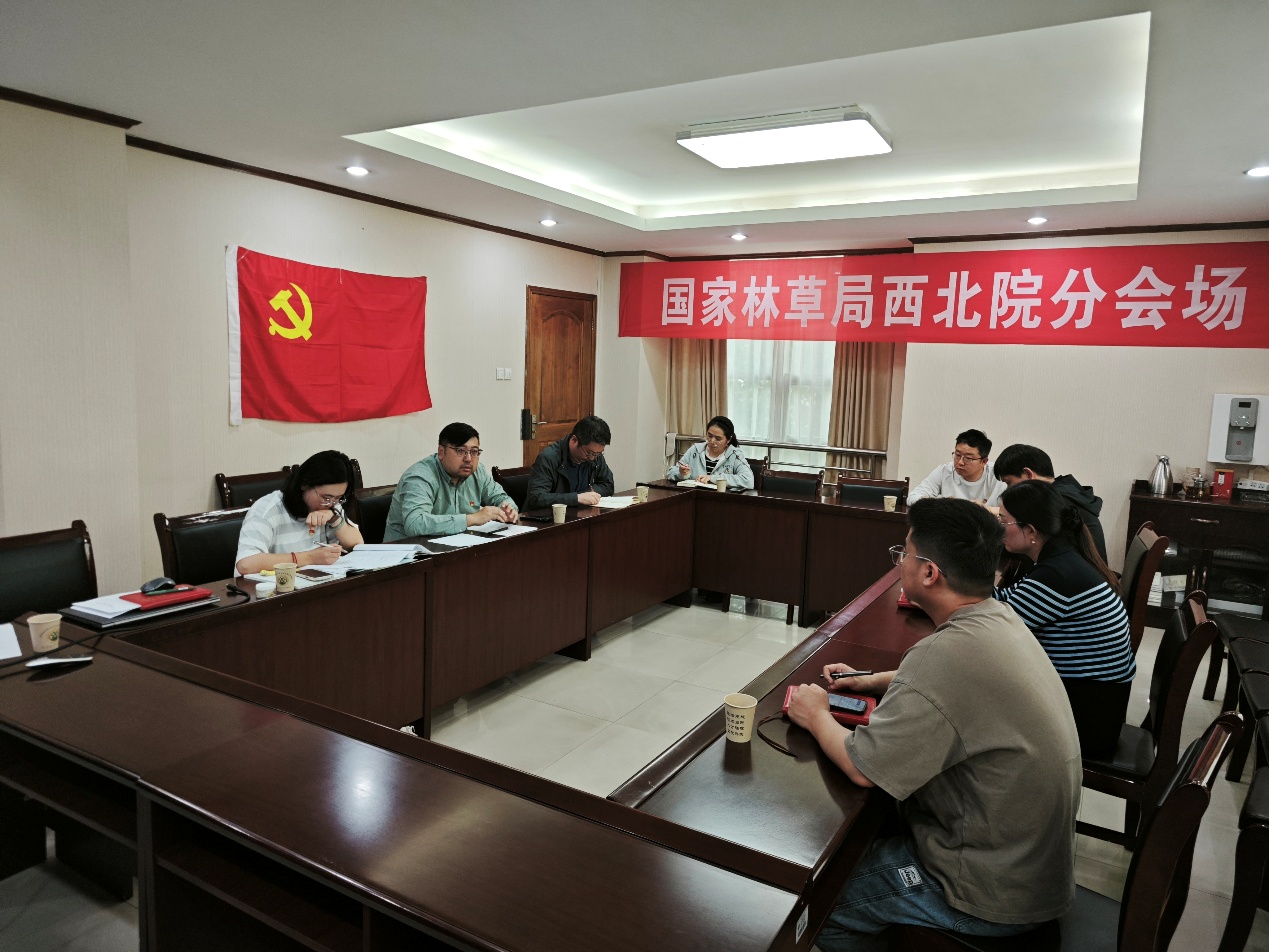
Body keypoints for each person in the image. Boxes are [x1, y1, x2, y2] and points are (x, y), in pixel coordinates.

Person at [786, 499, 1080, 951]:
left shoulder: (946, 655)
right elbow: (951, 682)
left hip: (986, 890)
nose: (899, 561)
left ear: (929, 572)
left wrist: (815, 713)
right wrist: (873, 679)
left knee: (820, 905)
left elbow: (862, 767)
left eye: (904, 552)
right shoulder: (999, 617)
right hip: (1028, 867)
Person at [993, 480, 1135, 758]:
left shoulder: (1057, 574)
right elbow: (1011, 600)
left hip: (1086, 720)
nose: (999, 529)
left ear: (1031, 531)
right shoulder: (1063, 557)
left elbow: (996, 625)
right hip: (1096, 703)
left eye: (1003, 521)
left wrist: (953, 588)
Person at [235, 450, 364, 575]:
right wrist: (310, 557)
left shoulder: (330, 507)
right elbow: (246, 564)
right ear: (304, 484)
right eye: (326, 497)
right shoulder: (267, 509)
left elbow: (357, 544)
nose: (330, 503)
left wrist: (334, 518)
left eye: (338, 498)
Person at [384, 422, 518, 540]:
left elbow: (500, 498)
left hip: (454, 547)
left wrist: (508, 510)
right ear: (441, 452)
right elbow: (415, 523)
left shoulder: (478, 472)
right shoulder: (420, 476)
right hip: (410, 554)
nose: (468, 459)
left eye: (474, 452)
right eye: (460, 451)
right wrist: (472, 519)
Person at [993, 443, 1107, 562]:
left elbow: (1029, 544)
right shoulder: (1064, 490)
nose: (1008, 490)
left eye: (1009, 483)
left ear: (1028, 474)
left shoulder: (1054, 501)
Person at [525, 415, 615, 510]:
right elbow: (536, 498)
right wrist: (576, 498)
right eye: (589, 453)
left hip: (580, 513)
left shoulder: (595, 456)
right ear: (574, 440)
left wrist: (589, 493)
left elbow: (608, 485)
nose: (592, 458)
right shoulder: (548, 458)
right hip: (548, 516)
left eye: (598, 454)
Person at [905, 428, 1003, 505]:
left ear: (984, 461)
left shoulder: (998, 475)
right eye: (958, 455)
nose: (960, 462)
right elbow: (912, 497)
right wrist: (942, 502)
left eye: (968, 458)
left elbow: (1009, 512)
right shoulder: (945, 471)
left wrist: (983, 509)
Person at [667, 415, 754, 489]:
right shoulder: (695, 450)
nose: (712, 441)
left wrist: (714, 478)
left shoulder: (735, 455)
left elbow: (748, 481)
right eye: (709, 436)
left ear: (728, 440)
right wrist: (682, 474)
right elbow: (670, 473)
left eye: (718, 439)